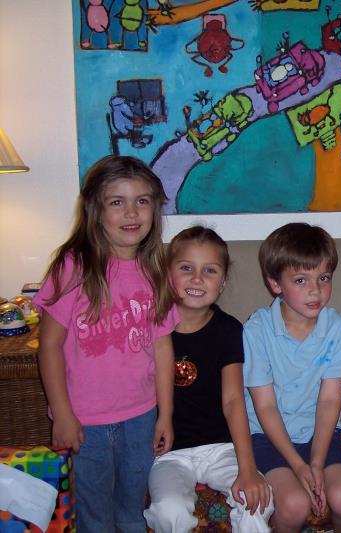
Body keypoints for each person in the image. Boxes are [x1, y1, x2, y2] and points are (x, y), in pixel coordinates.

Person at [33, 155, 179, 532]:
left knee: (131, 512)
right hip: (85, 421)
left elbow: (162, 347)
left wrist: (165, 414)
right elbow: (49, 345)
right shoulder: (72, 266)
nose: (132, 212)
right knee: (94, 517)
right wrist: (62, 413)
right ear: (95, 211)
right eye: (117, 202)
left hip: (140, 417)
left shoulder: (155, 268)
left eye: (142, 201)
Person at [144, 226, 273, 532]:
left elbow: (233, 400)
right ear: (168, 274)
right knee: (169, 511)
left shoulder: (228, 330)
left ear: (223, 282)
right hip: (169, 453)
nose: (197, 279)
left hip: (221, 447)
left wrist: (248, 467)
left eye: (210, 270)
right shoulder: (150, 326)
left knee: (259, 502)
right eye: (186, 268)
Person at [243, 222, 341, 533]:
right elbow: (265, 406)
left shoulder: (340, 329)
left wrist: (316, 462)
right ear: (275, 284)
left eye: (324, 278)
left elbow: (329, 400)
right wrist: (299, 466)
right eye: (300, 280)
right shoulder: (257, 330)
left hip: (318, 433)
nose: (315, 290)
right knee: (295, 505)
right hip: (267, 435)